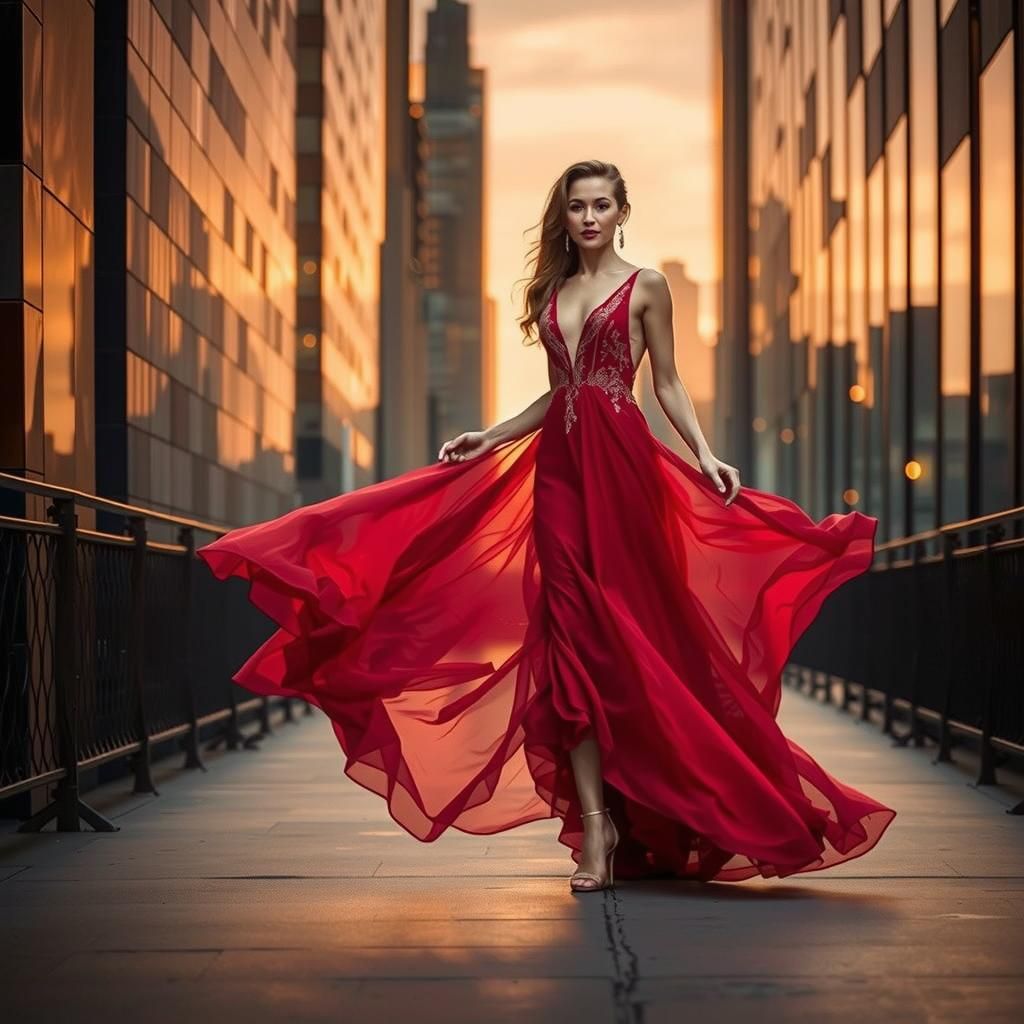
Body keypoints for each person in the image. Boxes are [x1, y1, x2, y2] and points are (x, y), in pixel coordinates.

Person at [197, 159, 896, 894]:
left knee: (639, 641)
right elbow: (559, 391)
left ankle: (668, 799)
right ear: (563, 216)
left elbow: (665, 382)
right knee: (569, 647)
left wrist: (705, 452)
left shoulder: (646, 285)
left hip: (624, 472)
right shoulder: (551, 292)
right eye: (576, 207)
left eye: (600, 205)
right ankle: (597, 829)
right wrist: (490, 436)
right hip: (560, 474)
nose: (589, 218)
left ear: (623, 210)